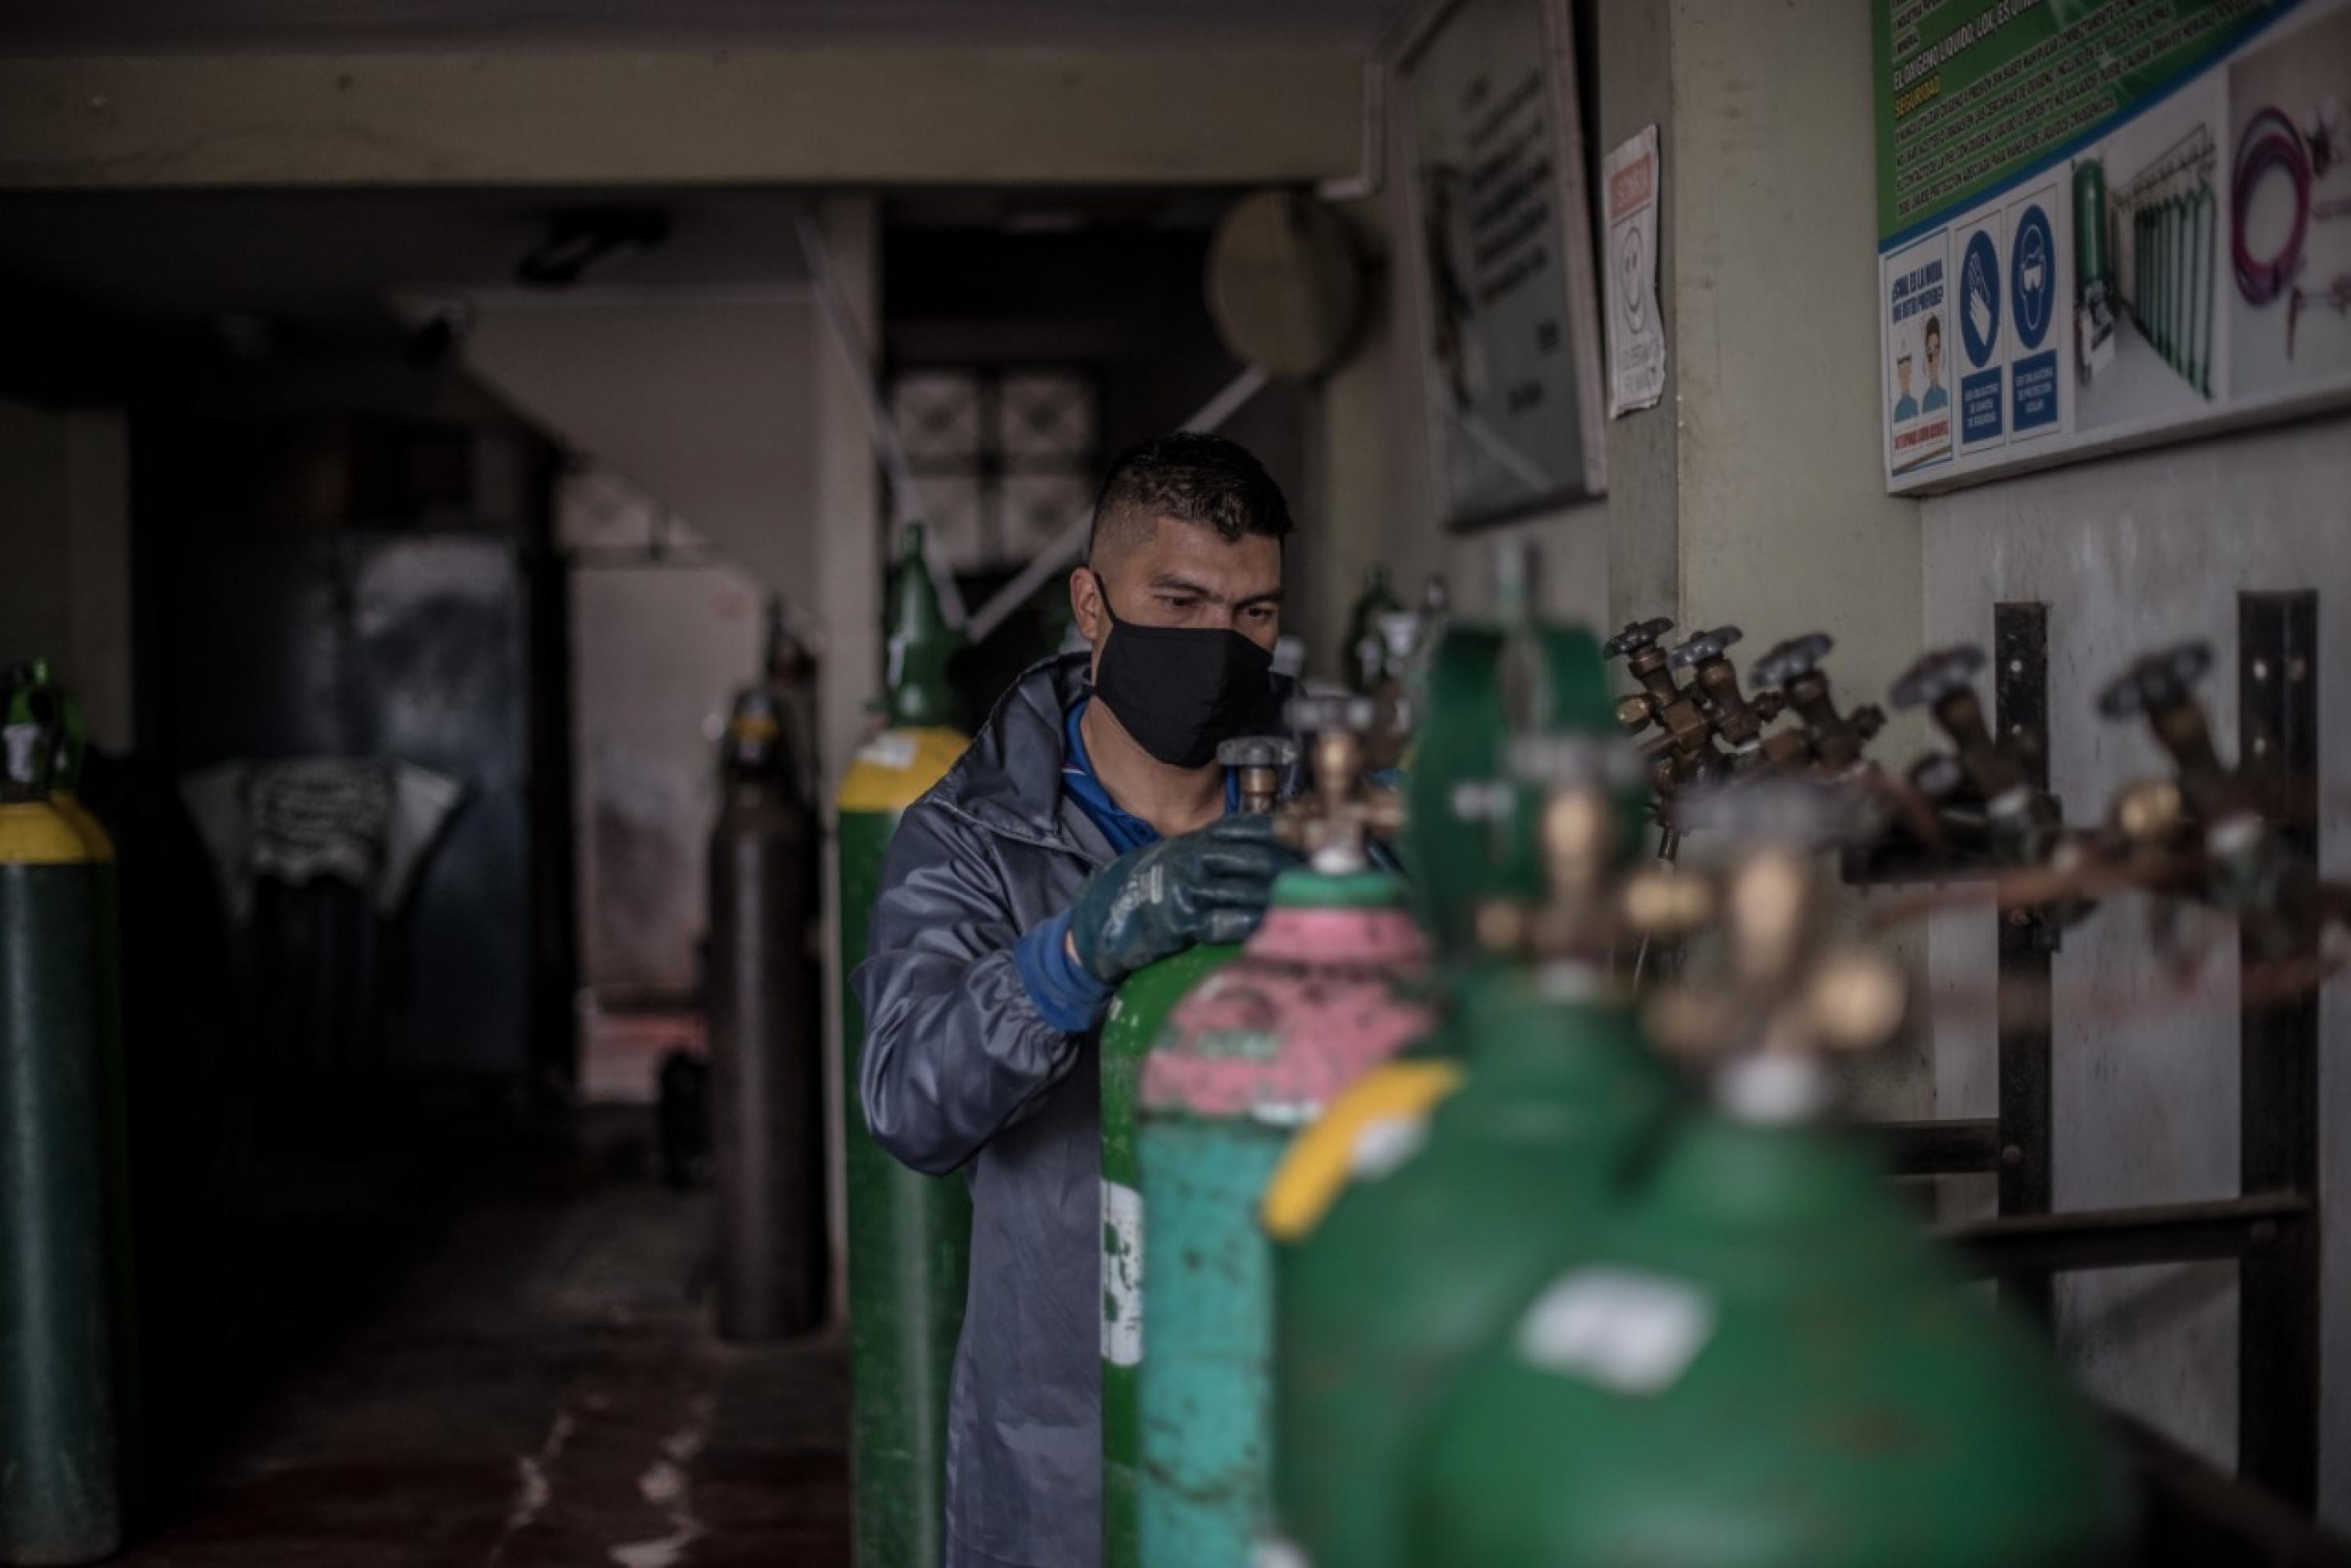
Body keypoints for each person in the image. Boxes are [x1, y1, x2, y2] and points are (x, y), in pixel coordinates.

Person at [855, 432, 1301, 1568]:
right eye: (1180, 600)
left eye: (1252, 614)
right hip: (1058, 1419)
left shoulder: (1335, 815)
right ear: (1091, 606)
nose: (1218, 642)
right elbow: (907, 1103)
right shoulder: (969, 839)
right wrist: (1072, 953)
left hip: (1298, 1387)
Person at [1921, 314, 1948, 414]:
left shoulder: (1945, 395)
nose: (1932, 360)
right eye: (1929, 353)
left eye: (1936, 353)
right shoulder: (1925, 400)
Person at [1892, 350, 1919, 422]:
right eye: (1901, 372)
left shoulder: (1915, 404)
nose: (1904, 376)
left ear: (1910, 373)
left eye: (1907, 371)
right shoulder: (1898, 408)